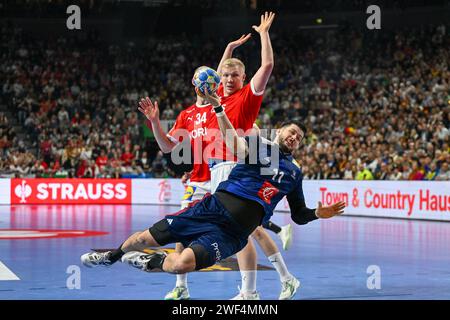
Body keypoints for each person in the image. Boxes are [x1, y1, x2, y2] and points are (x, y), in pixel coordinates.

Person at [80, 101, 345, 300]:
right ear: (280, 132)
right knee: (142, 239)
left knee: (181, 263)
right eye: (292, 132)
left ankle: (149, 262)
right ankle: (112, 256)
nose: (295, 137)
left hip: (233, 234)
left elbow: (299, 214)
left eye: (299, 137)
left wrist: (318, 214)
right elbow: (234, 143)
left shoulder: (295, 172)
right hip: (212, 209)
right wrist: (219, 108)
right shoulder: (259, 145)